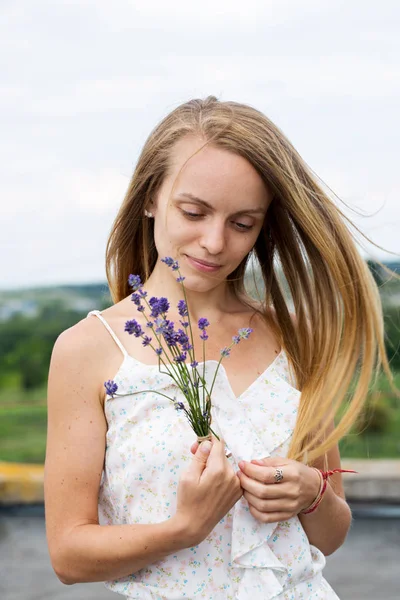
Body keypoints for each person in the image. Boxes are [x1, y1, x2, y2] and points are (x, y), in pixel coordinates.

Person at [44, 96, 394, 599]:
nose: (213, 241)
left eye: (242, 223)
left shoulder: (294, 336)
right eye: (194, 211)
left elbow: (329, 537)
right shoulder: (87, 349)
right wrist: (184, 528)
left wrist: (313, 494)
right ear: (149, 197)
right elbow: (68, 554)